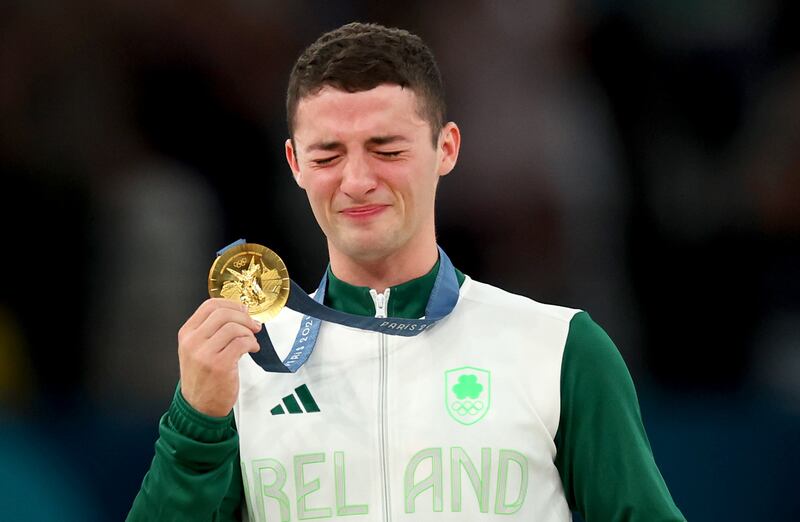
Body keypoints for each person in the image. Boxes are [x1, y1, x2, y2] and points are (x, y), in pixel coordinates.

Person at [128, 22, 685, 521]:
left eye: (386, 150)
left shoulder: (560, 349)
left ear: (446, 149)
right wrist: (195, 423)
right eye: (327, 156)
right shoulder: (242, 366)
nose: (356, 181)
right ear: (295, 163)